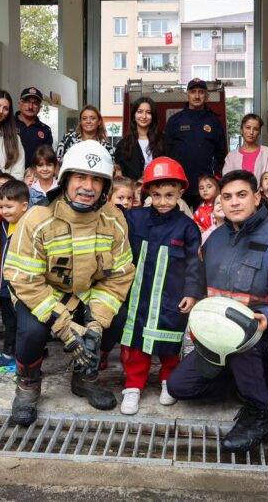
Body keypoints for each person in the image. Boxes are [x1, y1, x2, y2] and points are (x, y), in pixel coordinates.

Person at [166, 170, 268, 454]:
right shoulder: (216, 240)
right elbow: (198, 277)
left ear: (258, 197)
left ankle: (259, 413)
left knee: (244, 338)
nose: (234, 202)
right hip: (222, 339)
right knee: (178, 386)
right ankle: (249, 381)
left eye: (242, 195)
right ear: (219, 202)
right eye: (227, 197)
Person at [4, 141, 135, 425]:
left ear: (106, 186)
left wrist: (95, 324)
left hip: (87, 294)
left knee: (117, 318)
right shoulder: (37, 218)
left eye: (97, 180)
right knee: (31, 332)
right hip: (41, 294)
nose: (88, 186)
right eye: (80, 177)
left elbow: (120, 276)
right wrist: (65, 328)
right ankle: (27, 388)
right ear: (65, 180)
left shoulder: (114, 220)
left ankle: (85, 377)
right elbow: (24, 279)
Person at [117, 157, 204, 415]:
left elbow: (194, 263)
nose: (163, 201)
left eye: (169, 195)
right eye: (156, 195)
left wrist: (192, 292)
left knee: (169, 341)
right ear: (147, 194)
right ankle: (133, 386)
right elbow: (113, 216)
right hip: (138, 295)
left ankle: (168, 380)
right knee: (134, 343)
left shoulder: (188, 227)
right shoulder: (135, 218)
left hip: (171, 296)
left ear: (180, 192)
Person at [0, 180, 31, 374]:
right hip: (4, 286)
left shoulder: (29, 226)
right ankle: (10, 354)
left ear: (24, 206)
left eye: (9, 206)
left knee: (23, 324)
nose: (4, 211)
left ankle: (21, 357)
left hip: (22, 288)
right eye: (1, 206)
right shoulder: (2, 226)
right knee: (9, 323)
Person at [165, 79, 228, 210]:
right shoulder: (175, 121)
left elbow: (221, 152)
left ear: (207, 96)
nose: (197, 96)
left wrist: (215, 176)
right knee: (179, 222)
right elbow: (166, 152)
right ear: (187, 94)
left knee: (207, 223)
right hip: (180, 185)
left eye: (201, 92)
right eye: (193, 92)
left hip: (206, 186)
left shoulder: (214, 121)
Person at [114, 96, 164, 181]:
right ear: (134, 115)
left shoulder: (164, 141)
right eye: (140, 112)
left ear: (153, 116)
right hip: (132, 191)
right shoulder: (123, 144)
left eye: (148, 112)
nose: (144, 116)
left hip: (158, 189)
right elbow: (120, 175)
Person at [222, 114, 268, 178]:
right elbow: (226, 179)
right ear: (241, 130)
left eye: (255, 129)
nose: (251, 132)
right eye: (248, 127)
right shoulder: (231, 156)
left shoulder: (267, 152)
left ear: (259, 132)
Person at [15, 86, 54, 166]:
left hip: (35, 176)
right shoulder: (8, 124)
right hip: (9, 175)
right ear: (20, 104)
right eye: (27, 102)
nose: (30, 107)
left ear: (39, 107)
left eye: (35, 103)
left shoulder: (45, 130)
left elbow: (47, 158)